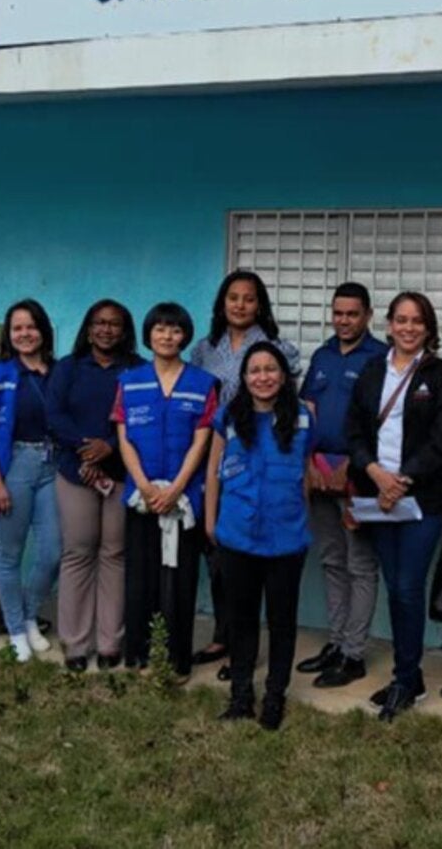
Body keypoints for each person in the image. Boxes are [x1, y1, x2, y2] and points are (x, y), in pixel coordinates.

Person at [345, 291, 442, 722]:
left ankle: (405, 677)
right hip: (378, 497)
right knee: (395, 588)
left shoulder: (440, 375)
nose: (408, 328)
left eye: (417, 321)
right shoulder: (372, 370)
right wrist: (375, 473)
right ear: (389, 324)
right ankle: (409, 677)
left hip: (422, 501)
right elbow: (353, 430)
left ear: (428, 328)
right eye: (401, 320)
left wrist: (403, 479)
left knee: (408, 587)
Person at [189, 270, 301, 675]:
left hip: (265, 462)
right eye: (233, 297)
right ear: (222, 303)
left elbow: (291, 402)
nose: (240, 305)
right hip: (216, 456)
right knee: (219, 555)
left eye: (249, 298)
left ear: (260, 305)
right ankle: (226, 636)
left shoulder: (276, 349)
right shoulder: (204, 350)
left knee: (260, 565)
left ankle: (247, 650)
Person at [205, 342, 314, 730]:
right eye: (254, 370)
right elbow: (213, 471)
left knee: (282, 622)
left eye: (271, 369)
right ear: (244, 377)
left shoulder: (302, 417)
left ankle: (274, 697)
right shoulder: (228, 416)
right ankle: (240, 696)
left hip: (286, 538)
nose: (263, 377)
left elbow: (305, 473)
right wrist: (211, 521)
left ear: (283, 376)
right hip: (238, 535)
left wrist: (303, 520)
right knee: (242, 620)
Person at [114, 302, 218, 679]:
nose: (167, 336)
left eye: (175, 330)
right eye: (160, 329)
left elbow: (201, 441)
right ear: (149, 335)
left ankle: (176, 662)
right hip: (142, 498)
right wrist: (144, 486)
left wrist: (175, 489)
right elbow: (124, 438)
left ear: (185, 336)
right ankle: (138, 656)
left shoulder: (203, 383)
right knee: (140, 579)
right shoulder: (129, 381)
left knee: (180, 580)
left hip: (183, 499)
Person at [296, 282, 387, 689]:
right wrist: (309, 463)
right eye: (338, 313)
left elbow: (383, 423)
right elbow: (306, 412)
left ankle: (354, 653)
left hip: (359, 476)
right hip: (319, 474)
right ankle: (335, 642)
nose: (344, 321)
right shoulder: (322, 355)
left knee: (360, 565)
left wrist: (353, 465)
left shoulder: (380, 357)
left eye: (352, 314)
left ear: (368, 315)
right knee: (332, 561)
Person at [46, 299, 143, 672]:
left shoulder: (138, 370)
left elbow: (141, 418)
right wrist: (87, 451)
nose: (106, 329)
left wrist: (110, 447)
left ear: (125, 330)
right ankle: (75, 643)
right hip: (76, 471)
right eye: (99, 323)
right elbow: (54, 415)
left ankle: (109, 642)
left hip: (121, 472)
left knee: (114, 554)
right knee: (78, 552)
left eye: (114, 323)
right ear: (88, 329)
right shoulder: (68, 368)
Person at [0, 299, 62, 663]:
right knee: (9, 555)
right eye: (17, 328)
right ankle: (17, 630)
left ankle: (29, 614)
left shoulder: (59, 371)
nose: (24, 334)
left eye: (31, 326)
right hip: (13, 466)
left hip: (53, 464)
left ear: (43, 330)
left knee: (52, 550)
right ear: (8, 334)